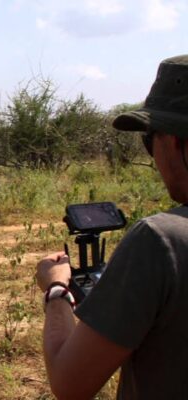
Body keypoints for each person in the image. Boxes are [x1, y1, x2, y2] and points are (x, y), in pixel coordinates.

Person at [36, 54, 188, 399]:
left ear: (175, 141)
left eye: (149, 140)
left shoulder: (160, 239)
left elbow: (69, 384)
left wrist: (57, 291)